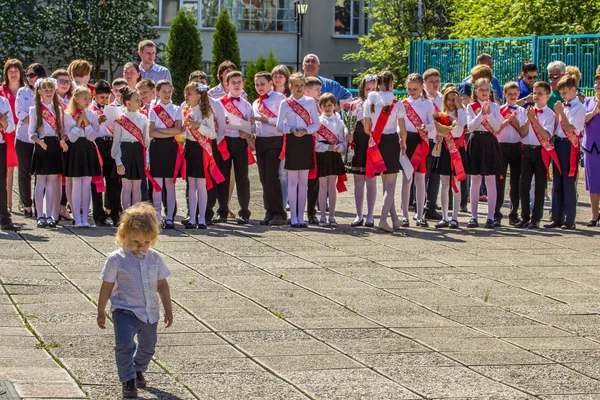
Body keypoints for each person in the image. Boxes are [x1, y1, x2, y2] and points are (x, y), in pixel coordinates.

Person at [96, 202, 172, 399]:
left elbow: (162, 285)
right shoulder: (116, 259)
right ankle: (128, 380)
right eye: (136, 242)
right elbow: (106, 285)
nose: (142, 246)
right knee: (124, 345)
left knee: (148, 346)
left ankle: (138, 369)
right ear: (124, 236)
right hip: (124, 310)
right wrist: (101, 309)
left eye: (147, 242)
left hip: (149, 312)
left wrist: (168, 309)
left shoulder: (154, 258)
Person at [363, 71, 407, 232]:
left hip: (375, 142)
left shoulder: (370, 102)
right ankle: (382, 219)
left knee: (384, 181)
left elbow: (367, 128)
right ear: (391, 84)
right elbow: (402, 129)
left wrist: (374, 136)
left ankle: (394, 219)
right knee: (390, 184)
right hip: (390, 141)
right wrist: (404, 142)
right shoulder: (397, 104)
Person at [276, 72, 320, 228]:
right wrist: (291, 130)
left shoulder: (310, 102)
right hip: (292, 141)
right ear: (290, 86)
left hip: (306, 140)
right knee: (292, 182)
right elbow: (279, 126)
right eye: (296, 85)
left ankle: (302, 216)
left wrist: (307, 131)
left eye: (302, 85)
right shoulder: (285, 103)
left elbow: (317, 124)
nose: (299, 88)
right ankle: (293, 216)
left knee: (304, 183)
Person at [185, 71, 227, 226]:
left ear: (198, 96)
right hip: (190, 148)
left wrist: (198, 126)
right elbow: (184, 134)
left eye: (189, 94)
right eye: (185, 93)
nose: (186, 96)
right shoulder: (186, 110)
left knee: (202, 185)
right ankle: (192, 217)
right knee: (191, 186)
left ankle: (202, 218)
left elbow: (212, 133)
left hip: (202, 150)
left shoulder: (207, 111)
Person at [545, 75, 586, 230]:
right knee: (557, 182)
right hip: (559, 143)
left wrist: (560, 113)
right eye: (561, 93)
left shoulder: (579, 108)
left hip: (570, 146)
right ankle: (556, 217)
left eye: (565, 93)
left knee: (568, 183)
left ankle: (570, 219)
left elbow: (571, 129)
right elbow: (558, 128)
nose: (563, 96)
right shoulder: (564, 105)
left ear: (574, 90)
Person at [515, 81, 555, 229]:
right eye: (534, 93)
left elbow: (545, 135)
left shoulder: (550, 114)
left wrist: (533, 120)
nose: (536, 96)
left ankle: (536, 218)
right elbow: (523, 132)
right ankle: (524, 216)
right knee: (523, 185)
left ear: (547, 96)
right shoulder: (529, 110)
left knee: (539, 186)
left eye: (540, 93)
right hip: (527, 149)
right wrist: (528, 119)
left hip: (541, 151)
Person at [215, 70, 253, 225]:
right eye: (233, 82)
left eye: (239, 82)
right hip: (225, 142)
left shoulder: (247, 105)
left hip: (240, 142)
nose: (236, 85)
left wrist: (248, 134)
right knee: (223, 177)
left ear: (243, 84)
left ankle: (244, 212)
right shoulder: (219, 103)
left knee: (242, 178)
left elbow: (252, 126)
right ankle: (222, 211)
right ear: (226, 85)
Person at [466, 78, 503, 229]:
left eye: (487, 90)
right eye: (481, 89)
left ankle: (490, 217)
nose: (484, 92)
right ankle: (473, 216)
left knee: (490, 181)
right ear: (475, 91)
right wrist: (481, 114)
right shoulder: (470, 106)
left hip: (489, 141)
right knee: (475, 180)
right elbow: (471, 127)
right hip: (476, 141)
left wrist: (489, 114)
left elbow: (496, 127)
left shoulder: (495, 107)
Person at [28, 77, 66, 228]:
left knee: (51, 183)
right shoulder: (34, 110)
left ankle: (50, 214)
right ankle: (39, 216)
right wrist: (39, 142)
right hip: (41, 145)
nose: (49, 93)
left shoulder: (59, 109)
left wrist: (62, 139)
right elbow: (30, 133)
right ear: (39, 91)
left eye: (51, 90)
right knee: (40, 183)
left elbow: (62, 131)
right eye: (45, 90)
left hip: (54, 145)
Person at [252, 71, 287, 226]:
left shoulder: (279, 98)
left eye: (263, 84)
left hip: (275, 140)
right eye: (257, 84)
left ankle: (279, 213)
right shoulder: (255, 103)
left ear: (270, 83)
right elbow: (255, 125)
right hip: (260, 141)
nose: (260, 87)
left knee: (272, 177)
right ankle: (269, 212)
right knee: (263, 179)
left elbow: (283, 120)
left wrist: (267, 120)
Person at [64, 86, 102, 228]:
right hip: (75, 150)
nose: (88, 101)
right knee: (76, 185)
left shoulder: (92, 114)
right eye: (85, 98)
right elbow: (72, 137)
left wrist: (86, 122)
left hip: (87, 149)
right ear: (76, 98)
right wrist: (79, 121)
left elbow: (92, 136)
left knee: (86, 185)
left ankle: (85, 218)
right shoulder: (68, 115)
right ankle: (77, 218)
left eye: (89, 98)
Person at [149, 80, 184, 229]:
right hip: (156, 148)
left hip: (171, 148)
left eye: (169, 91)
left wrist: (161, 131)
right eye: (164, 91)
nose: (167, 94)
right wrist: (169, 130)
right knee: (157, 184)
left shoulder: (176, 109)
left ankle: (170, 217)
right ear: (157, 92)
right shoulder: (153, 110)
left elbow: (178, 130)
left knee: (170, 184)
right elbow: (151, 132)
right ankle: (157, 217)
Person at [401, 73, 435, 227]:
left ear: (422, 87)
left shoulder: (428, 104)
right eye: (409, 89)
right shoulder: (403, 104)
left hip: (421, 141)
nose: (412, 91)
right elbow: (398, 123)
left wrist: (425, 127)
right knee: (407, 178)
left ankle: (420, 214)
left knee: (420, 178)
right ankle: (404, 215)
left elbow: (432, 123)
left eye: (415, 88)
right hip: (407, 141)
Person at [112, 86, 151, 211]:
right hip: (125, 151)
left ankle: (136, 214)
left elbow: (146, 141)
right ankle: (126, 215)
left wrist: (147, 159)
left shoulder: (143, 118)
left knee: (137, 186)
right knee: (127, 187)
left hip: (138, 151)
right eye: (136, 100)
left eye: (139, 99)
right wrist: (118, 161)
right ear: (128, 103)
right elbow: (116, 143)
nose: (140, 102)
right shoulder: (120, 120)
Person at [495, 81, 529, 226]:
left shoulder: (522, 111)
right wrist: (507, 120)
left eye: (515, 94)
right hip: (501, 147)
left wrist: (514, 121)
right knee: (499, 181)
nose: (513, 96)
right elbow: (496, 129)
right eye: (510, 94)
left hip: (516, 147)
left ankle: (513, 214)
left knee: (516, 181)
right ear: (504, 94)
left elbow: (524, 132)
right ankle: (496, 213)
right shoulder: (499, 110)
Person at [433, 86, 467, 229]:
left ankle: (455, 217)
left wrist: (459, 106)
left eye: (454, 98)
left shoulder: (462, 112)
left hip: (457, 150)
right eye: (449, 98)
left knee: (456, 184)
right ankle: (444, 217)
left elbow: (463, 123)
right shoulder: (441, 114)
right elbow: (437, 133)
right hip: (446, 150)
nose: (452, 101)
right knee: (445, 183)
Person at [347, 74, 378, 227]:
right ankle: (359, 214)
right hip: (358, 143)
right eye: (367, 89)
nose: (370, 91)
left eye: (374, 89)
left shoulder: (380, 104)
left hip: (372, 142)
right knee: (358, 180)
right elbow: (350, 124)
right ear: (362, 89)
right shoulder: (355, 105)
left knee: (371, 179)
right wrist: (348, 134)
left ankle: (370, 215)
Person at [15, 63, 45, 219]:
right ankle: (26, 205)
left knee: (40, 174)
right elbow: (20, 113)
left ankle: (39, 205)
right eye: (27, 75)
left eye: (32, 75)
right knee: (24, 172)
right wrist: (35, 124)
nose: (29, 78)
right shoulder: (23, 92)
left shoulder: (45, 92)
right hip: (24, 137)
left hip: (41, 139)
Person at [90, 79, 121, 226]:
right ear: (94, 96)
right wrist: (97, 121)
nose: (104, 100)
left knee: (113, 181)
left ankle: (115, 214)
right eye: (101, 97)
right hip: (97, 144)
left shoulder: (113, 108)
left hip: (111, 144)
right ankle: (98, 215)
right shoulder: (90, 110)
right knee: (97, 181)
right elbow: (89, 131)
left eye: (107, 97)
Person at [316, 93, 347, 227]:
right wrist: (327, 147)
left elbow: (343, 142)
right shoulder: (317, 122)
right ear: (320, 106)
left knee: (332, 187)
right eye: (325, 105)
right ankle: (322, 215)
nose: (327, 108)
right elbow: (315, 144)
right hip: (323, 155)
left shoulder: (340, 122)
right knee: (322, 187)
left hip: (334, 156)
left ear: (335, 106)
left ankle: (332, 216)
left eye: (330, 105)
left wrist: (339, 147)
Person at [0, 59, 23, 214]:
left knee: (23, 169)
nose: (13, 74)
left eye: (16, 70)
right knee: (7, 170)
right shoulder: (2, 92)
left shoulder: (26, 90)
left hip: (22, 132)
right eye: (10, 71)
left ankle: (23, 201)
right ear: (6, 73)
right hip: (6, 132)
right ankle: (8, 203)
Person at [423, 68, 443, 220]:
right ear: (425, 83)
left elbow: (447, 120)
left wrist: (442, 134)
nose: (435, 84)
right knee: (423, 175)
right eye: (431, 82)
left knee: (435, 176)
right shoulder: (422, 99)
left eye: (437, 81)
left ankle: (431, 206)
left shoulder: (442, 99)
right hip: (424, 140)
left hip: (438, 141)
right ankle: (418, 204)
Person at [271, 64, 291, 209]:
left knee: (285, 174)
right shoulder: (267, 96)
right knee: (274, 174)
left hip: (288, 139)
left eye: (280, 76)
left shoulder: (291, 97)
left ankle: (284, 203)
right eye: (275, 76)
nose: (277, 79)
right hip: (271, 139)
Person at [303, 77, 323, 225]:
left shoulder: (320, 105)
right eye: (317, 90)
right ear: (307, 91)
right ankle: (297, 211)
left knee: (314, 182)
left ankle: (311, 213)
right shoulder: (298, 104)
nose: (320, 93)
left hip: (317, 147)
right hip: (302, 145)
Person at [583, 73, 600, 227]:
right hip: (591, 148)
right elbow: (582, 119)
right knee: (593, 182)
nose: (598, 85)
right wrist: (594, 112)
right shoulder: (588, 101)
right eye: (596, 82)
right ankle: (594, 214)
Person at [0, 93, 19, 230]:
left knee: (1, 183)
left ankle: (4, 218)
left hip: (0, 144)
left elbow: (11, 127)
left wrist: (3, 122)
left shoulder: (3, 101)